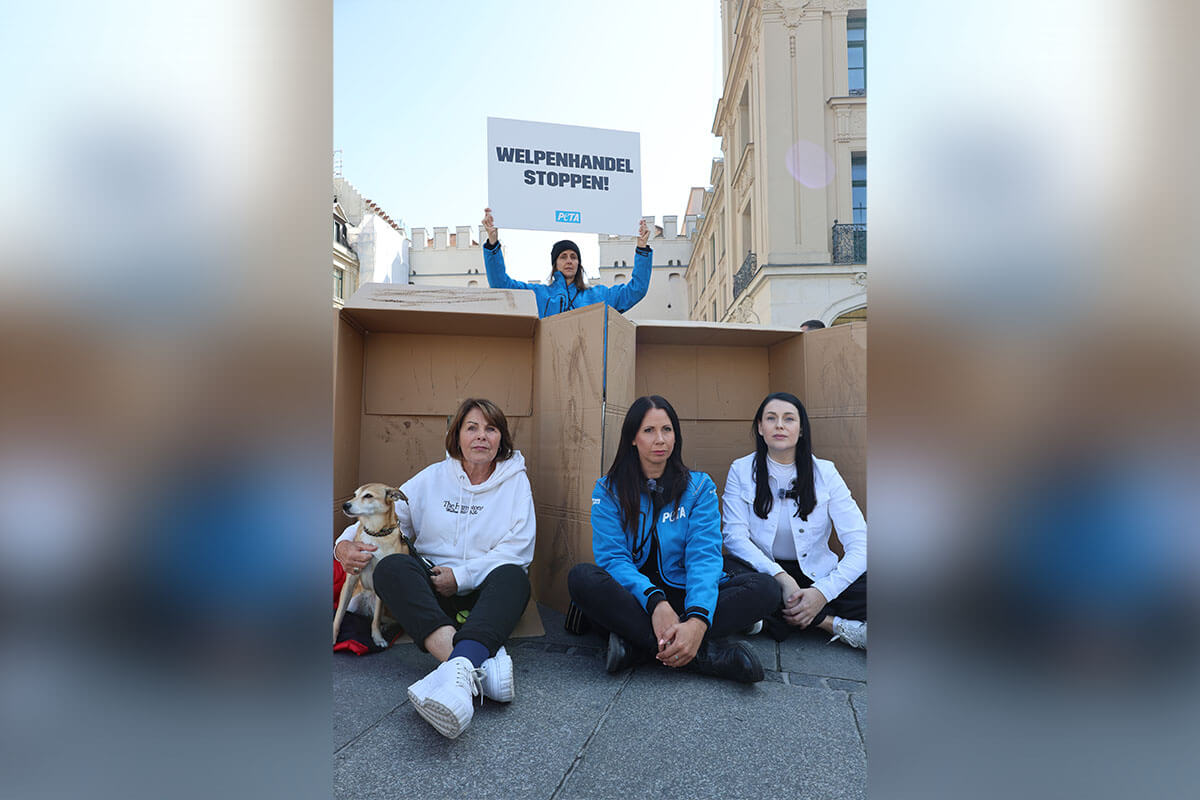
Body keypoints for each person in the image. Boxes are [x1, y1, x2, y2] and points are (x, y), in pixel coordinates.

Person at [334, 397, 535, 739]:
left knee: (515, 576)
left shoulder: (515, 483)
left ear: (502, 439)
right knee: (391, 568)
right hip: (431, 594)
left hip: (486, 593)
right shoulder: (432, 478)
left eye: (491, 429)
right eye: (471, 428)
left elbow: (520, 548)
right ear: (457, 436)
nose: (481, 436)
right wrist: (341, 546)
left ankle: (458, 673)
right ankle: (474, 666)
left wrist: (462, 577)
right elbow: (388, 520)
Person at [568, 395, 779, 683]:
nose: (660, 439)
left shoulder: (699, 487)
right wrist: (656, 603)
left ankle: (637, 646)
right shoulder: (608, 490)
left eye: (667, 430)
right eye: (649, 431)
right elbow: (613, 559)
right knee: (582, 577)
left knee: (766, 588)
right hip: (637, 596)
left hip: (684, 590)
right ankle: (709, 656)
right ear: (632, 438)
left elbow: (703, 556)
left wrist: (697, 619)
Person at [721, 392, 867, 649]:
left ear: (801, 430)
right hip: (763, 573)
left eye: (789, 419)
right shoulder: (741, 470)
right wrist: (782, 578)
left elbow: (861, 542)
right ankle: (831, 624)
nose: (779, 425)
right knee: (746, 585)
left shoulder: (826, 472)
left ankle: (771, 621)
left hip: (817, 574)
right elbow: (734, 537)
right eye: (771, 418)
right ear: (760, 427)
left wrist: (822, 593)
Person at [480, 207, 652, 318]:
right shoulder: (539, 295)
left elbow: (637, 290)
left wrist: (642, 249)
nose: (569, 261)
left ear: (579, 264)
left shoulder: (600, 296)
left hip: (590, 369)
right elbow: (500, 283)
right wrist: (493, 243)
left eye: (573, 257)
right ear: (555, 264)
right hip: (551, 366)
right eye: (563, 257)